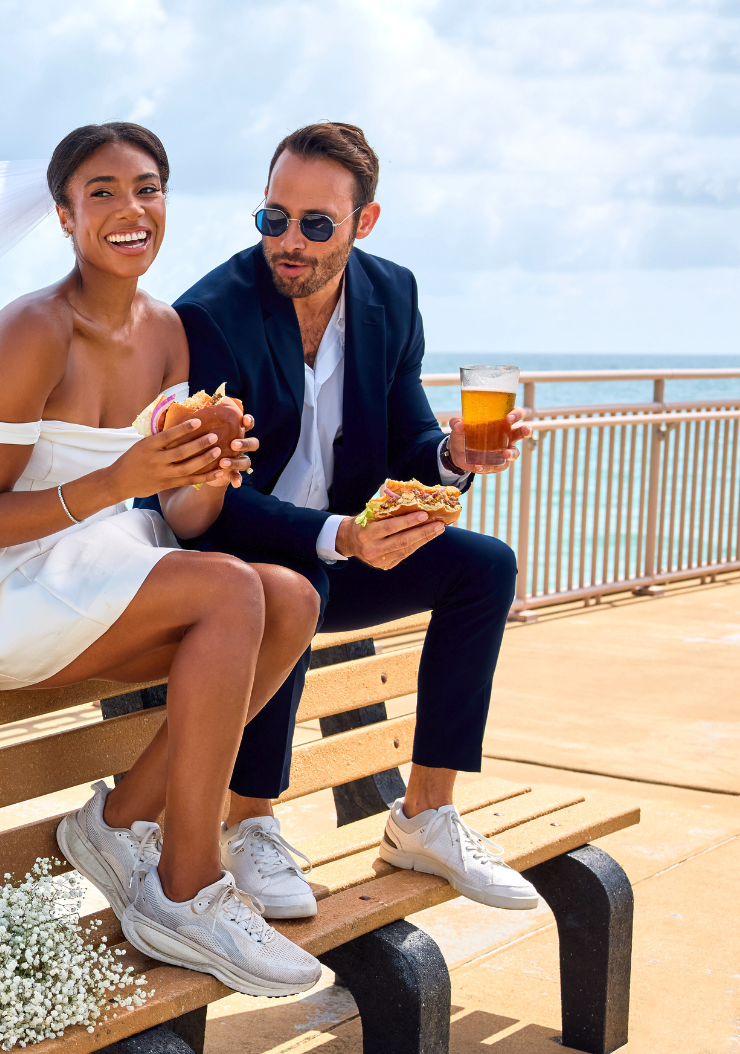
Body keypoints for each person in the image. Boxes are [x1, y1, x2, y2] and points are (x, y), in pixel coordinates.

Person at [0, 123, 325, 998]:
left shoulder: (168, 334)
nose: (132, 210)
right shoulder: (32, 331)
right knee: (235, 591)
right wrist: (125, 474)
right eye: (104, 193)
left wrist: (206, 467)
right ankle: (186, 887)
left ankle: (119, 822)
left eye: (148, 188)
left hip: (89, 562)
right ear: (64, 216)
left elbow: (185, 519)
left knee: (293, 598)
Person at [170, 122, 539, 919]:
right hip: (235, 562)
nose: (288, 242)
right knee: (293, 581)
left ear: (363, 223)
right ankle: (252, 823)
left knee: (486, 567)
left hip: (341, 550)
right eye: (273, 218)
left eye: (315, 223)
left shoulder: (391, 293)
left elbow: (407, 438)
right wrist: (337, 537)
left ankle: (425, 817)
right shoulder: (210, 314)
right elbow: (204, 503)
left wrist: (451, 459)